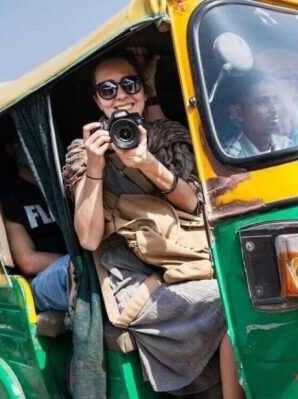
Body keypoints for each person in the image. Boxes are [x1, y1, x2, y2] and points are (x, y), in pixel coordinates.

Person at [63, 51, 243, 398]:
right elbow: (88, 238)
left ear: (143, 92)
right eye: (108, 89)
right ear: (97, 101)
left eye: (129, 84)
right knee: (230, 306)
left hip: (188, 260)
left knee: (251, 294)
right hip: (133, 278)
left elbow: (195, 204)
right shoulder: (82, 151)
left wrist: (146, 162)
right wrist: (95, 166)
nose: (121, 96)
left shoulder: (167, 135)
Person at [3, 145, 71, 312]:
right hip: (40, 280)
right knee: (80, 270)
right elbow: (27, 261)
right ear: (11, 148)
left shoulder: (60, 186)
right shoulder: (11, 198)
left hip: (74, 262)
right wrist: (78, 259)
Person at [223, 73, 293, 158]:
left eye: (276, 98)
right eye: (262, 101)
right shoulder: (229, 157)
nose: (274, 109)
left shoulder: (285, 145)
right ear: (237, 112)